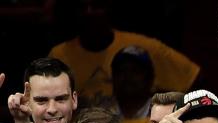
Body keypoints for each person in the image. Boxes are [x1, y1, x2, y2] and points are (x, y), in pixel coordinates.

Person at [48, 1, 198, 108]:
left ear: (108, 8)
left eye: (96, 6)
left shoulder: (144, 47)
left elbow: (193, 79)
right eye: (82, 7)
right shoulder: (59, 56)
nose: (89, 13)